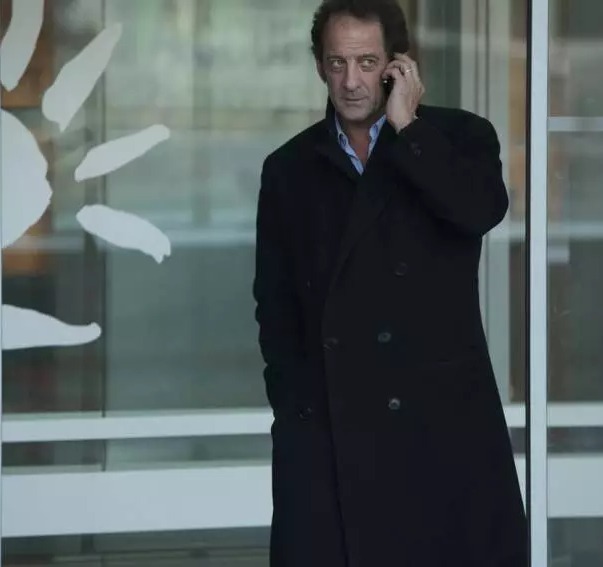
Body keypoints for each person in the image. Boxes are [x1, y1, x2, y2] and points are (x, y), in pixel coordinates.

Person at [252, 0, 528, 565]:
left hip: (440, 430)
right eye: (336, 63)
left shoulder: (459, 137)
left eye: (366, 62)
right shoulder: (288, 168)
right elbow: (274, 303)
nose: (351, 81)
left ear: (397, 65)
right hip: (331, 436)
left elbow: (481, 211)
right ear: (319, 65)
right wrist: (296, 407)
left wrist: (408, 127)